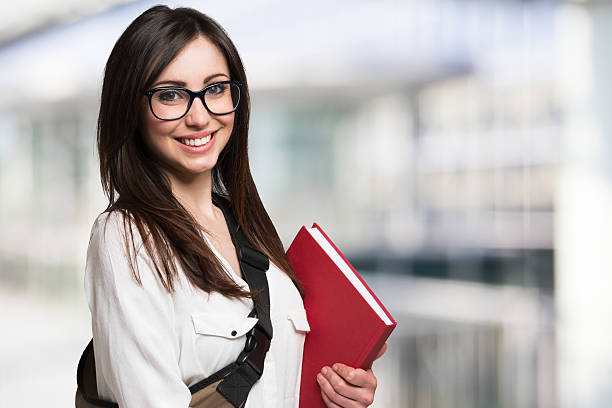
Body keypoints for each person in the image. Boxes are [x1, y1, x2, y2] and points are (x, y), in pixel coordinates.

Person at [84, 5, 386, 408]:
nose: (200, 116)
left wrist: (340, 393)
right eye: (170, 95)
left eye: (215, 89)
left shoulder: (248, 228)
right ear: (131, 110)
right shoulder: (126, 237)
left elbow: (281, 385)